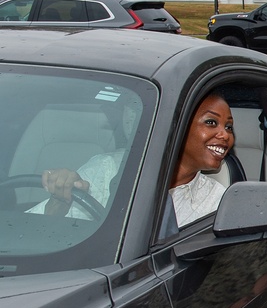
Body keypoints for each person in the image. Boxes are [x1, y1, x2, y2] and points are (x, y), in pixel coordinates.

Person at [37, 93, 235, 226]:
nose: (225, 135)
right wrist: (59, 199)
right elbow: (38, 231)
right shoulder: (106, 168)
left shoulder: (219, 201)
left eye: (228, 127)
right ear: (177, 125)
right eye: (211, 122)